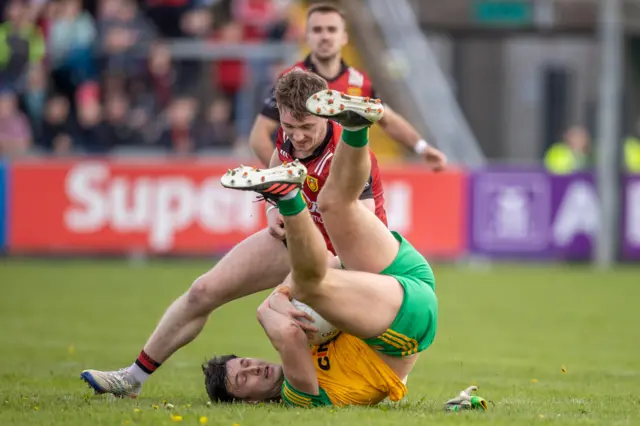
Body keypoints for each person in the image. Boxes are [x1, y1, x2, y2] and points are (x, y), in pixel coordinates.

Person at [79, 70, 388, 398]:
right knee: (202, 290)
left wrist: (294, 285)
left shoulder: (349, 153)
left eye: (307, 128)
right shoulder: (289, 138)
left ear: (325, 115)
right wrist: (273, 212)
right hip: (298, 241)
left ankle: (295, 395)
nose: (296, 137)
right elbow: (276, 168)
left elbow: (360, 228)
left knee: (289, 320)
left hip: (346, 261)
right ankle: (132, 379)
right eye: (289, 127)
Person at [202, 70, 458, 409]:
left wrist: (281, 297)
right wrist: (268, 308)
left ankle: (354, 128)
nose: (254, 370)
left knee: (333, 206)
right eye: (243, 380)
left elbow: (328, 263)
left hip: (399, 276)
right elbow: (287, 329)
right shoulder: (300, 395)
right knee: (311, 272)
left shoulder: (305, 343)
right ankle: (288, 196)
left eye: (245, 363)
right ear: (246, 403)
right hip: (405, 325)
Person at [249, 3, 447, 171]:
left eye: (331, 30)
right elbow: (259, 137)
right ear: (307, 37)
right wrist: (288, 180)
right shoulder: (292, 80)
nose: (325, 36)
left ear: (344, 37)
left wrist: (421, 147)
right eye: (317, 30)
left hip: (344, 186)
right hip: (306, 190)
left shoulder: (359, 81)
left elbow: (387, 119)